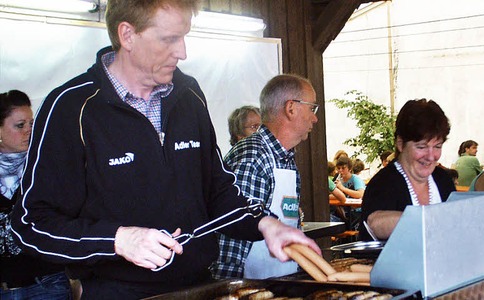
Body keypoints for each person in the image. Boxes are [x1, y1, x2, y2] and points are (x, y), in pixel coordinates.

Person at [10, 2, 319, 298]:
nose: (182, 52)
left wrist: (266, 224)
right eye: (170, 39)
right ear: (127, 35)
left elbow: (218, 191)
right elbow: (31, 223)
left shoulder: (188, 96)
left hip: (199, 286)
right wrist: (118, 239)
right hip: (117, 291)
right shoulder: (71, 107)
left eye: (183, 36)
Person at [211, 74, 318, 280]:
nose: (315, 117)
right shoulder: (254, 156)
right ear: (291, 108)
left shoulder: (285, 158)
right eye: (312, 108)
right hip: (250, 287)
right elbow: (232, 239)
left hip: (278, 281)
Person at [0, 90, 71, 299]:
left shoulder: (45, 165)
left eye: (32, 124)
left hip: (47, 282)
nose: (29, 131)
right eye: (20, 125)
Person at [360, 99, 456, 241]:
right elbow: (375, 223)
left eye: (437, 146)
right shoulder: (383, 183)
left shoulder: (443, 180)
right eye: (421, 147)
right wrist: (430, 219)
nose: (431, 157)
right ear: (400, 144)